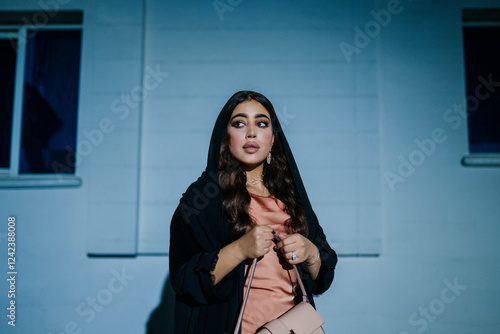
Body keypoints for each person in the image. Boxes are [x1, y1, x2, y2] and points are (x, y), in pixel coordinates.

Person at [169, 90, 337, 333]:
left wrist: (311, 253)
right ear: (225, 136)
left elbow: (322, 278)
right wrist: (239, 249)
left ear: (273, 138)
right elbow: (183, 279)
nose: (251, 132)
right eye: (239, 123)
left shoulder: (292, 199)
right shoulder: (201, 199)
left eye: (261, 123)